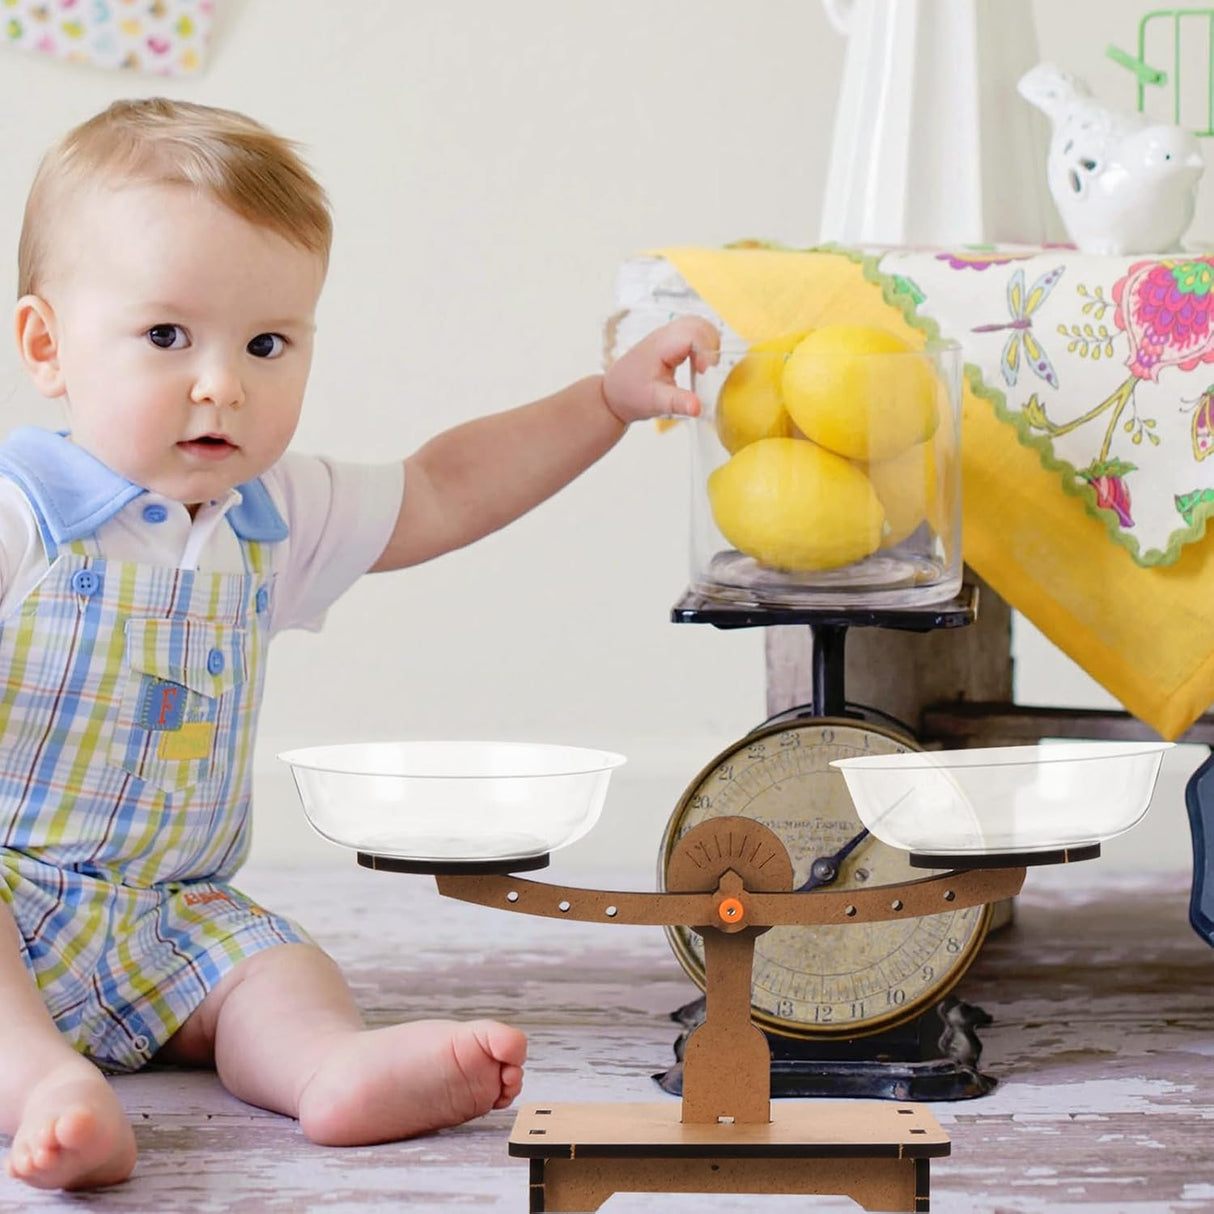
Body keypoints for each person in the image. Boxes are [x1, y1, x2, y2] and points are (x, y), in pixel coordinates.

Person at [0, 97, 718, 1192]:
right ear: (48, 345)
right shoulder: (23, 517)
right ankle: (46, 1082)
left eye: (267, 342)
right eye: (165, 336)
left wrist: (607, 402)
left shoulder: (270, 514)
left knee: (273, 965)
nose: (222, 382)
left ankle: (326, 1067)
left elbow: (443, 486)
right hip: (11, 890)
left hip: (168, 913)